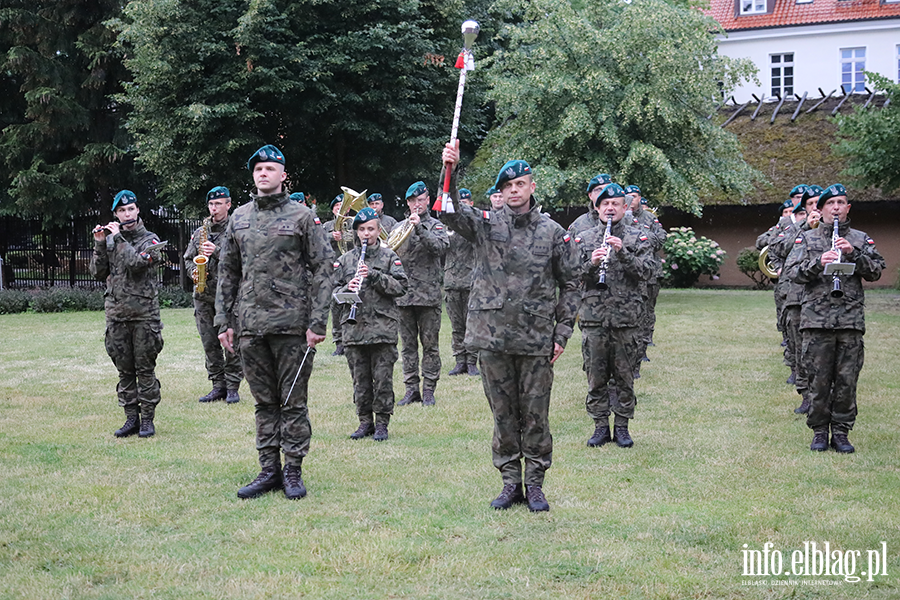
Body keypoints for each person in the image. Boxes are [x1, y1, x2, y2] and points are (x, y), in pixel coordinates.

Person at [441, 146, 579, 512]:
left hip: (535, 340)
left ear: (532, 186)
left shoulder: (553, 233)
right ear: (500, 192)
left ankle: (534, 485)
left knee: (535, 416)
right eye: (507, 186)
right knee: (502, 415)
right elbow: (447, 209)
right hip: (492, 337)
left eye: (520, 183)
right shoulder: (486, 224)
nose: (514, 190)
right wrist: (449, 170)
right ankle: (509, 483)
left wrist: (561, 333)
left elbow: (572, 284)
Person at [215, 144, 334, 499]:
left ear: (283, 175)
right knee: (264, 402)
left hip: (292, 327)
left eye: (270, 168)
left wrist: (318, 322)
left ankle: (293, 471)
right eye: (258, 169)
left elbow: (323, 268)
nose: (263, 174)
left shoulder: (302, 217)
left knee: (293, 402)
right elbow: (227, 273)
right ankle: (269, 470)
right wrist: (224, 321)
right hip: (251, 327)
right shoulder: (238, 218)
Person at [783, 183, 884, 453]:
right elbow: (792, 273)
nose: (836, 208)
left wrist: (854, 254)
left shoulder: (860, 238)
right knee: (818, 378)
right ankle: (818, 431)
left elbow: (876, 271)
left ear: (847, 207)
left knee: (846, 380)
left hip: (850, 321)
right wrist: (819, 263)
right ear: (821, 207)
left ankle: (841, 431)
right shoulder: (808, 238)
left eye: (841, 203)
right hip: (816, 321)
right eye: (830, 203)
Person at [576, 184, 654, 448]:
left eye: (616, 204)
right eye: (605, 204)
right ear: (597, 208)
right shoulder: (584, 238)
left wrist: (623, 253)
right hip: (593, 318)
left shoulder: (638, 237)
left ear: (624, 207)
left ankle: (622, 427)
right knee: (595, 375)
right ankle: (600, 426)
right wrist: (591, 265)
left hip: (626, 319)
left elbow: (647, 272)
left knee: (624, 376)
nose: (610, 208)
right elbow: (571, 276)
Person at [90, 190, 166, 438]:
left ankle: (147, 421)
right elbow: (97, 273)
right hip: (117, 315)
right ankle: (131, 418)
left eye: (131, 209)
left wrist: (118, 238)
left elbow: (137, 264)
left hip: (144, 315)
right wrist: (101, 243)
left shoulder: (151, 240)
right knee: (124, 371)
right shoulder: (111, 239)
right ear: (116, 214)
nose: (127, 213)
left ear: (138, 210)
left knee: (145, 369)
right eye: (122, 211)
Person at [333, 207, 408, 441]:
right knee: (360, 380)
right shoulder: (345, 261)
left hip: (382, 329)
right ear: (356, 232)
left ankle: (383, 423)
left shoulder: (389, 257)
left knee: (383, 378)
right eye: (362, 229)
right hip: (354, 330)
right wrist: (348, 289)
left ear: (378, 231)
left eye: (371, 229)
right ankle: (364, 421)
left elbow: (401, 287)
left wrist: (374, 276)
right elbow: (333, 295)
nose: (367, 234)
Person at [183, 186, 243, 404]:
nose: (214, 208)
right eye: (211, 204)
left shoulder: (236, 231)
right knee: (209, 343)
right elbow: (188, 259)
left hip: (228, 297)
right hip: (203, 295)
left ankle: (233, 385)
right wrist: (195, 273)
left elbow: (243, 262)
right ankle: (218, 385)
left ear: (228, 205)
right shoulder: (201, 232)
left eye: (218, 204)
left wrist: (216, 252)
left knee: (232, 342)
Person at [394, 181, 449, 406]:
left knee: (430, 346)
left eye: (422, 199)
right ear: (408, 203)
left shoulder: (436, 226)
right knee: (407, 347)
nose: (418, 204)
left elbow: (439, 248)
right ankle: (410, 389)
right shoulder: (399, 228)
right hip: (404, 297)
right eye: (414, 201)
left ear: (427, 200)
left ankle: (428, 389)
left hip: (428, 296)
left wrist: (419, 227)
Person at [623, 184, 666, 358]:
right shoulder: (621, 217)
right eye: (627, 196)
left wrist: (642, 238)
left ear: (639, 198)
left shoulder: (649, 218)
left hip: (650, 271)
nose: (631, 200)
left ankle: (645, 343)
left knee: (647, 310)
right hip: (629, 271)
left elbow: (661, 238)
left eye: (634, 196)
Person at [444, 188, 479, 376]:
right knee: (456, 326)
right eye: (460, 203)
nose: (462, 205)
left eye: (465, 202)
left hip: (471, 281)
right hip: (451, 282)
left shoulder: (473, 227)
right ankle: (460, 360)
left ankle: (472, 361)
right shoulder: (448, 226)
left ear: (471, 204)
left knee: (472, 324)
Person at [322, 194, 346, 356]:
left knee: (353, 306)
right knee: (336, 307)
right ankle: (339, 343)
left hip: (351, 270)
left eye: (342, 206)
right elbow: (317, 241)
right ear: (333, 210)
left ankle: (353, 340)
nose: (340, 209)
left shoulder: (353, 223)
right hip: (333, 271)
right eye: (337, 207)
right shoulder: (326, 226)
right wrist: (332, 236)